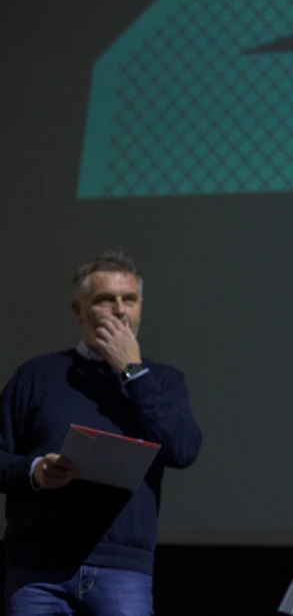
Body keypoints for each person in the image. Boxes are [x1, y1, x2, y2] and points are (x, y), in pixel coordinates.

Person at [0, 250, 202, 615]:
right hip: (38, 568)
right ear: (78, 310)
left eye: (130, 299)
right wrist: (35, 472)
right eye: (105, 300)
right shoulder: (36, 375)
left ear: (140, 308)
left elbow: (183, 450)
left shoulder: (163, 381)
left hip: (122, 567)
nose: (120, 311)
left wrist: (133, 370)